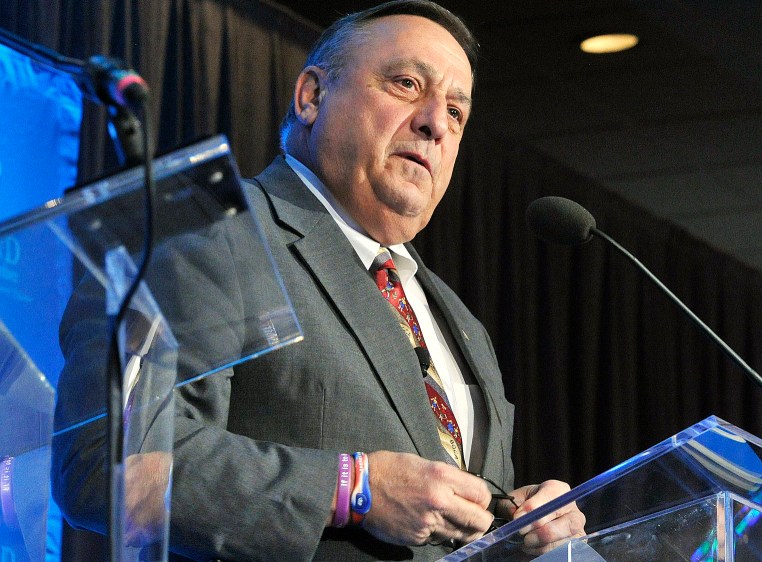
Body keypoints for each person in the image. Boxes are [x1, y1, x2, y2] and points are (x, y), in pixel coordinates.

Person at [54, 1, 584, 560]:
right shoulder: (205, 232)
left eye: (456, 112)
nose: (435, 123)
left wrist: (520, 527)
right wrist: (351, 488)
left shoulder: (462, 323)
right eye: (407, 84)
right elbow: (106, 464)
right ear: (311, 96)